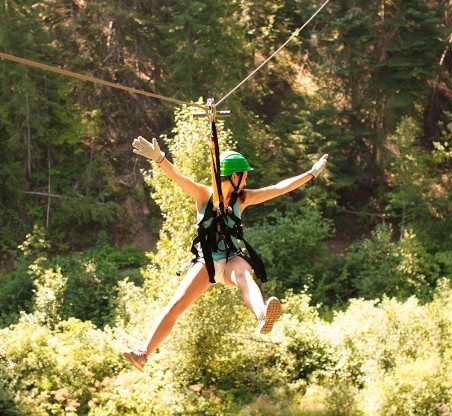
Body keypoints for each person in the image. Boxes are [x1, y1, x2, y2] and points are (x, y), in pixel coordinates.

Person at [123, 135, 328, 371]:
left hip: (232, 259)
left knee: (245, 275)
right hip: (206, 262)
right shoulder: (203, 195)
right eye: (244, 174)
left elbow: (277, 189)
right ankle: (143, 353)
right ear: (233, 175)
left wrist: (310, 174)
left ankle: (263, 315)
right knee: (176, 306)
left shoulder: (244, 198)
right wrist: (159, 158)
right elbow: (178, 178)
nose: (247, 179)